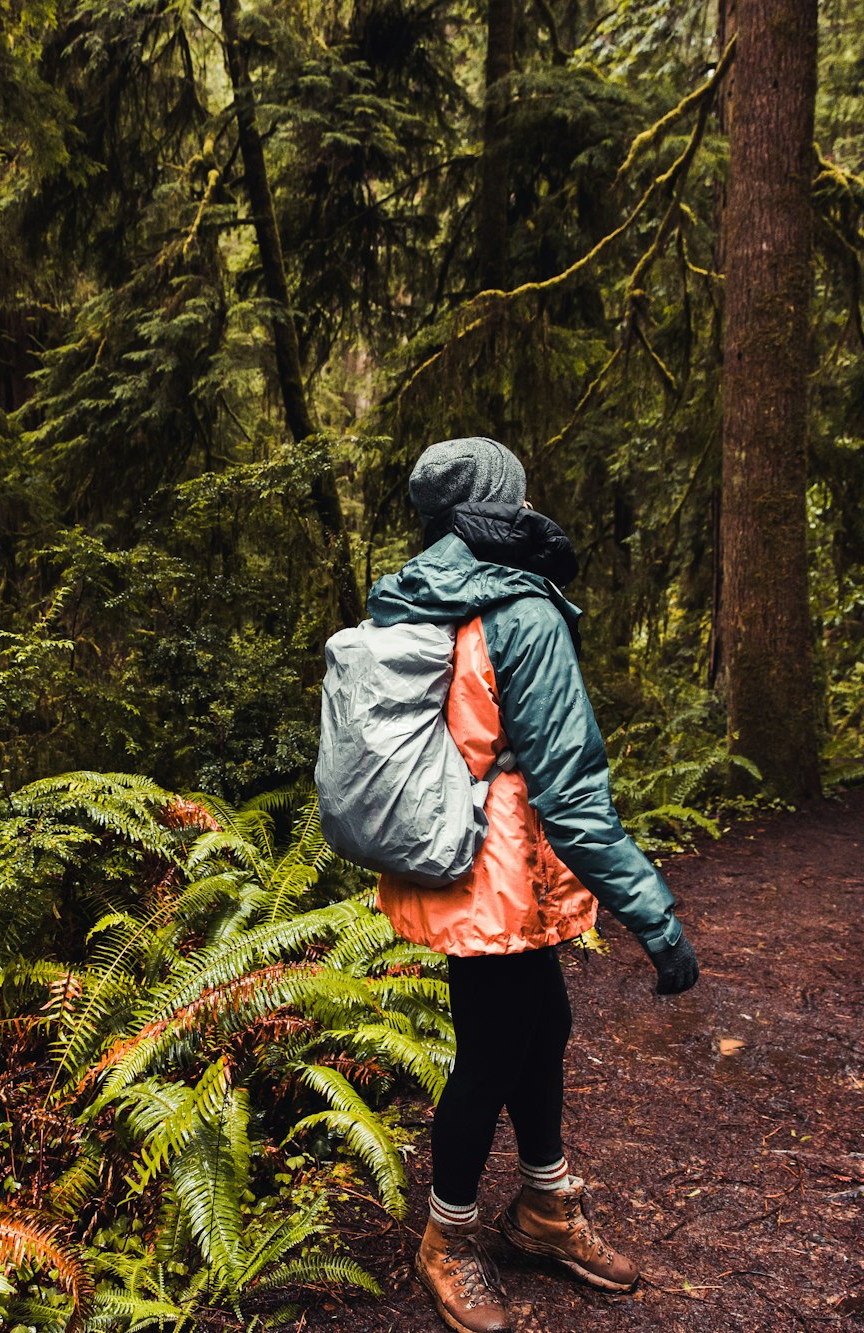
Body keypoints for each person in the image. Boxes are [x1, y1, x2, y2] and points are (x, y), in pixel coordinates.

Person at [367, 436, 701, 1333]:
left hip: (457, 845)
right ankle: (447, 1237)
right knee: (491, 1048)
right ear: (504, 506)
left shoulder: (414, 592)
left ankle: (546, 1209)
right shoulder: (521, 608)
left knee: (540, 1021)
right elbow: (575, 794)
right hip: (498, 863)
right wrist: (655, 917)